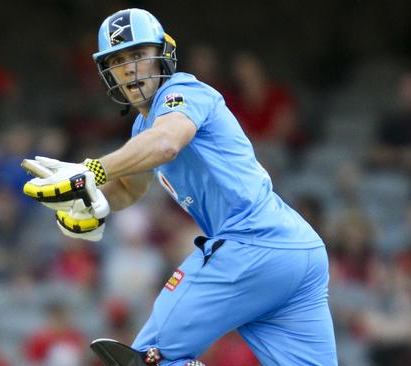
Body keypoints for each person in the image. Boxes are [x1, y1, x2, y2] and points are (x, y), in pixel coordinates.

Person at [23, 8, 337, 366]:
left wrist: (89, 172)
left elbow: (167, 143)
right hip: (297, 251)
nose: (129, 69)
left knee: (147, 361)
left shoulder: (183, 91)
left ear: (162, 55)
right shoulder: (142, 129)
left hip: (250, 244)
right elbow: (131, 186)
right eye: (117, 61)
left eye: (138, 55)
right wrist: (94, 203)